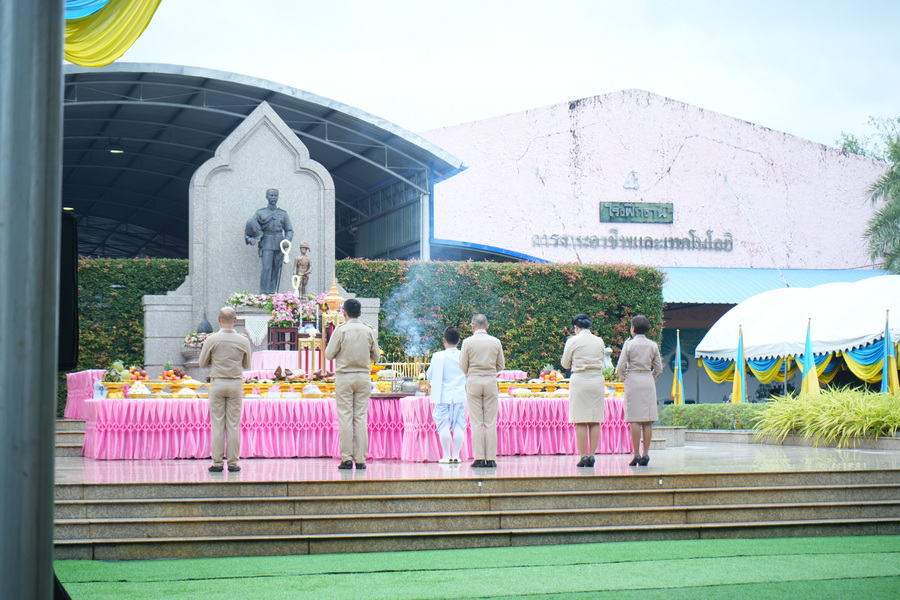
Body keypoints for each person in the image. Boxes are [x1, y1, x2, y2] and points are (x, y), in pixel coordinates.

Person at [325, 298, 380, 470]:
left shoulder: (341, 331)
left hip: (345, 377)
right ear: (361, 313)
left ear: (344, 313)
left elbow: (328, 354)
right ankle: (361, 459)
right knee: (361, 417)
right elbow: (376, 356)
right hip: (363, 377)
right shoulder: (368, 331)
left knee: (345, 416)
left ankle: (347, 458)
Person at [199, 306, 252, 473]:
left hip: (218, 382)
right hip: (235, 383)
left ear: (218, 319)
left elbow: (202, 363)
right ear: (235, 320)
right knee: (233, 424)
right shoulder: (243, 340)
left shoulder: (212, 339)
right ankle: (233, 462)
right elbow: (247, 365)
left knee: (217, 424)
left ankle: (216, 462)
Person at [560, 313, 608, 467]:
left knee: (580, 420)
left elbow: (565, 364)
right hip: (596, 379)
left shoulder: (572, 341)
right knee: (595, 419)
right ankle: (592, 455)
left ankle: (583, 456)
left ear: (575, 327)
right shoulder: (599, 341)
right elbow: (603, 362)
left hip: (580, 379)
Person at [459, 314, 505, 468]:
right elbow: (501, 366)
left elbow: (463, 366)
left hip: (473, 380)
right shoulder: (496, 342)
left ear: (472, 326)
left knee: (477, 422)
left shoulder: (467, 342)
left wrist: (472, 373)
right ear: (487, 326)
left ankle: (479, 458)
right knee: (490, 422)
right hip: (491, 380)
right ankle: (491, 459)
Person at [616, 315, 663, 467]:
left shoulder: (629, 344)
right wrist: (652, 377)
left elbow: (620, 367)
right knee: (648, 419)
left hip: (633, 378)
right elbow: (659, 367)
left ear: (633, 329)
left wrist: (625, 379)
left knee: (635, 419)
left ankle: (636, 453)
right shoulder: (652, 345)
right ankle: (646, 454)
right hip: (648, 379)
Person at [426, 327, 467, 463]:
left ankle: (446, 455)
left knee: (443, 425)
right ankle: (456, 455)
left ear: (444, 340)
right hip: (460, 394)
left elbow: (429, 375)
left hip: (443, 396)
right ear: (459, 341)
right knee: (459, 425)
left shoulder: (438, 356)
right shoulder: (463, 355)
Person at [245, 188, 294, 294]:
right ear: (267, 197)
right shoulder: (260, 213)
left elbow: (289, 230)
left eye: (275, 195)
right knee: (266, 268)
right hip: (266, 242)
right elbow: (252, 226)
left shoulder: (283, 213)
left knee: (276, 269)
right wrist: (250, 238)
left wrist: (286, 241)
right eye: (271, 195)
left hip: (279, 244)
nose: (273, 198)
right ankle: (263, 293)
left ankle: (272, 294)